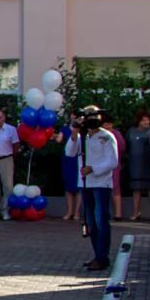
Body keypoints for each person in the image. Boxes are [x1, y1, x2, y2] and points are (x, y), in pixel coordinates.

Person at [67, 106, 119, 271]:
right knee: (90, 221)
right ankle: (98, 255)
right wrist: (74, 132)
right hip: (85, 183)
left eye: (95, 115)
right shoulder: (82, 137)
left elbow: (112, 161)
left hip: (101, 183)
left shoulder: (106, 136)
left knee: (101, 220)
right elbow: (70, 152)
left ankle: (103, 257)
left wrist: (93, 168)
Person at [126, 113, 150, 222]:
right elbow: (126, 146)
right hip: (135, 164)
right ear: (139, 121)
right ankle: (135, 212)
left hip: (148, 163)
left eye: (148, 120)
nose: (146, 122)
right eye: (144, 120)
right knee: (136, 188)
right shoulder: (131, 131)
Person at [59, 116, 82, 221]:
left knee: (79, 186)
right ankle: (69, 211)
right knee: (68, 186)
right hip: (68, 159)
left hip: (79, 159)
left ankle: (77, 212)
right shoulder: (65, 129)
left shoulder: (84, 130)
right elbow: (59, 139)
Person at [104, 113, 125, 219]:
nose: (108, 126)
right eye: (106, 124)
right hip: (101, 164)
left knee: (115, 187)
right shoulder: (99, 134)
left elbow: (122, 147)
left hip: (114, 164)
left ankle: (118, 213)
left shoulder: (116, 134)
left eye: (109, 124)